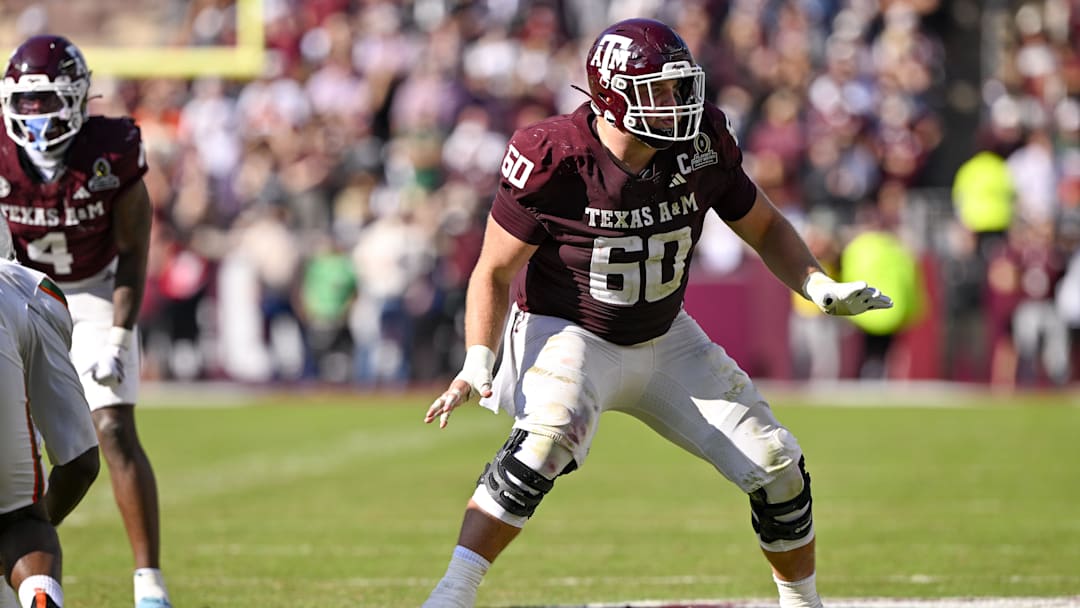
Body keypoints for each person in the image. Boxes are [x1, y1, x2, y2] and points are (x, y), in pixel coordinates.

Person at [422, 18, 892, 608]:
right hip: (570, 328)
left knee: (779, 467)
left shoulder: (701, 145)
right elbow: (492, 269)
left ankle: (802, 603)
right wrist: (477, 360)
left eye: (680, 87)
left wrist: (817, 284)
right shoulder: (553, 157)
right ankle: (452, 594)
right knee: (544, 442)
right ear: (613, 97)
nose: (680, 104)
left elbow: (765, 224)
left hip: (666, 333)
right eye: (660, 92)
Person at [0, 36, 172, 607]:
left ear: (76, 96)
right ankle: (23, 554)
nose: (35, 117)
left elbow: (135, 246)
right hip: (18, 292)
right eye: (24, 104)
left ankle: (149, 584)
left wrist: (121, 333)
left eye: (46, 100)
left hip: (93, 291)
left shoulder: (111, 148)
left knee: (114, 427)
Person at [0, 218, 100, 608]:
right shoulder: (25, 287)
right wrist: (26, 530)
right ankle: (38, 592)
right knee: (21, 522)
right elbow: (80, 461)